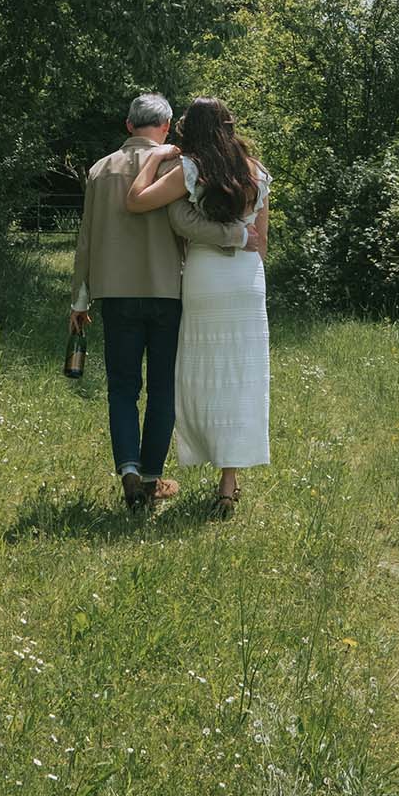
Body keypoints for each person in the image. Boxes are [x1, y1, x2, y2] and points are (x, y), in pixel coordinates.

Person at [69, 93, 256, 510]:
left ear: (128, 125)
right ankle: (152, 478)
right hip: (169, 291)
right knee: (162, 390)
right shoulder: (180, 165)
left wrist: (79, 301)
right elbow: (190, 223)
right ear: (168, 127)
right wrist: (237, 238)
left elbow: (86, 241)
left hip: (115, 292)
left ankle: (129, 471)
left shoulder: (101, 170)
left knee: (121, 388)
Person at [125, 96, 270, 518]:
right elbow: (261, 240)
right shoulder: (257, 172)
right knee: (243, 376)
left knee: (205, 373)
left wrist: (153, 161)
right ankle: (228, 483)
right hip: (246, 280)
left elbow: (136, 201)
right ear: (228, 126)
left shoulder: (190, 169)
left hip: (206, 277)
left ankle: (205, 452)